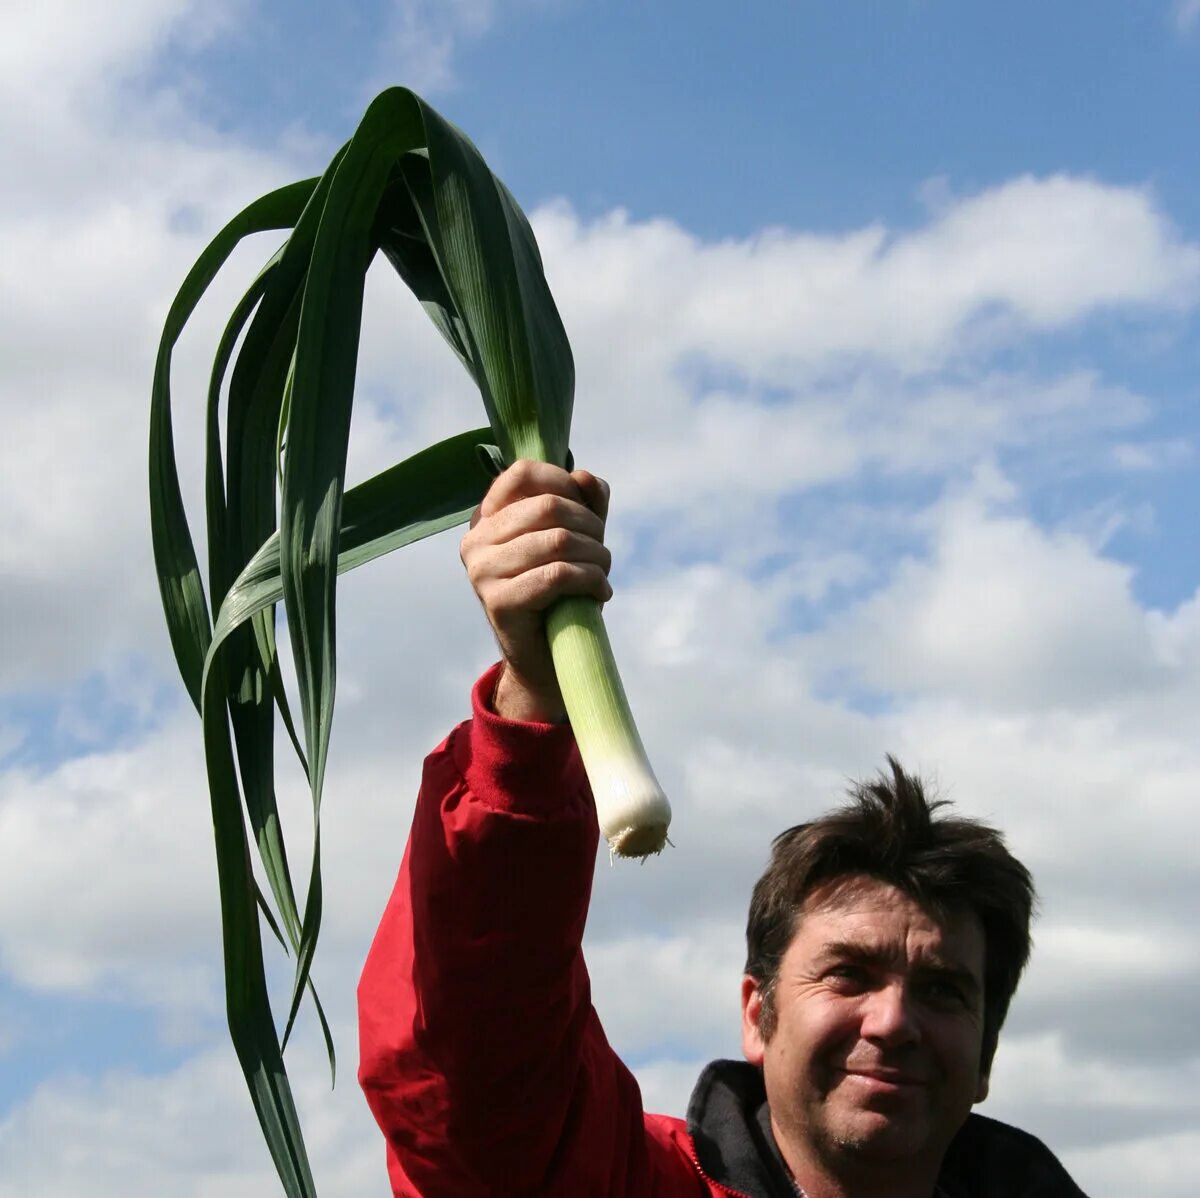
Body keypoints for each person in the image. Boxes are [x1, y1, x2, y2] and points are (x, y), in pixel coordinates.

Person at [358, 461, 1087, 1197]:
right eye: (848, 975)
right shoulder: (630, 1182)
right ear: (757, 1015)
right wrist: (538, 696)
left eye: (944, 991)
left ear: (987, 1055)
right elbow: (477, 1079)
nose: (894, 1021)